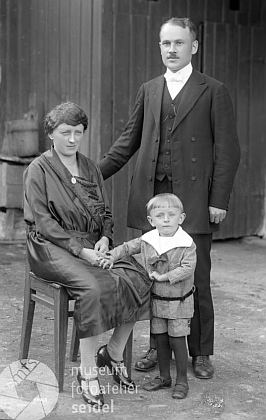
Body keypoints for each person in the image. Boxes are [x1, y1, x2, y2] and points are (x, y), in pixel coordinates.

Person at [99, 17, 241, 379]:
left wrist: (218, 199)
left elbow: (228, 150)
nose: (172, 50)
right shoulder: (149, 89)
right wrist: (92, 173)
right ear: (159, 47)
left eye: (179, 43)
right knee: (150, 278)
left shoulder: (213, 90)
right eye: (166, 43)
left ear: (193, 46)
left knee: (197, 279)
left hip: (194, 201)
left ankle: (201, 353)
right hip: (152, 200)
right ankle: (155, 348)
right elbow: (128, 141)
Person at [23, 102, 152, 409]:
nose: (71, 139)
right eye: (64, 132)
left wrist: (106, 238)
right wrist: (81, 251)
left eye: (77, 133)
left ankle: (114, 353)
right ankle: (88, 372)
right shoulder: (37, 170)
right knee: (92, 287)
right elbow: (43, 222)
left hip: (90, 243)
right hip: (49, 246)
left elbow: (104, 211)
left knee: (139, 276)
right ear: (51, 134)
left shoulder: (91, 167)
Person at [99, 194, 196, 399]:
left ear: (181, 217)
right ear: (152, 221)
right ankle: (164, 377)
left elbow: (188, 268)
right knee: (159, 339)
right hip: (157, 301)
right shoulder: (148, 240)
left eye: (172, 214)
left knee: (177, 340)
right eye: (160, 215)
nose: (167, 219)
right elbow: (127, 248)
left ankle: (181, 380)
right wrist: (111, 255)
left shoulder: (186, 243)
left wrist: (164, 276)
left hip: (179, 302)